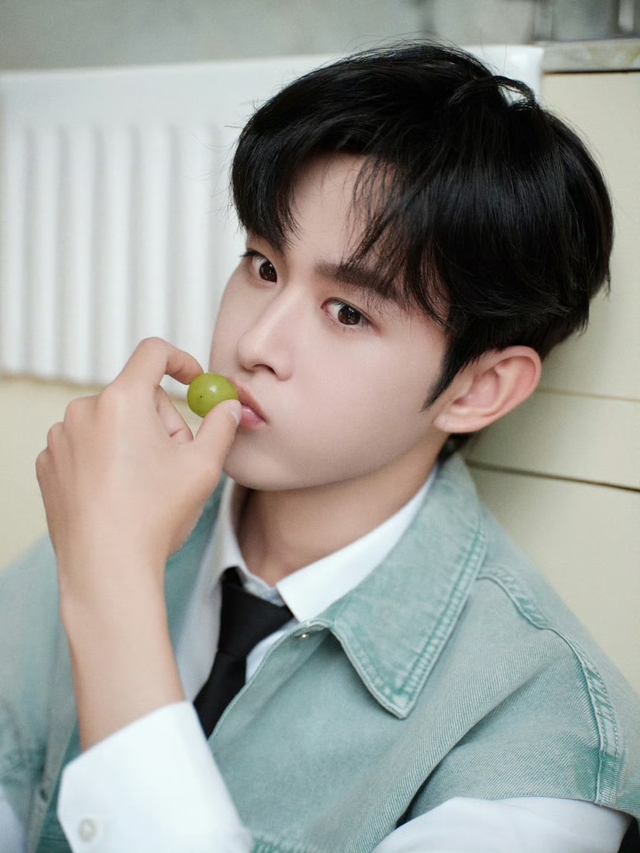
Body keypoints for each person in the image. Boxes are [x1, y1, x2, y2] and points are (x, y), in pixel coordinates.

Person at [1, 43, 639, 853]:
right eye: (263, 265)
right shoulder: (119, 509)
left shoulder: (539, 741)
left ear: (478, 388)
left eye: (348, 312)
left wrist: (112, 592)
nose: (255, 343)